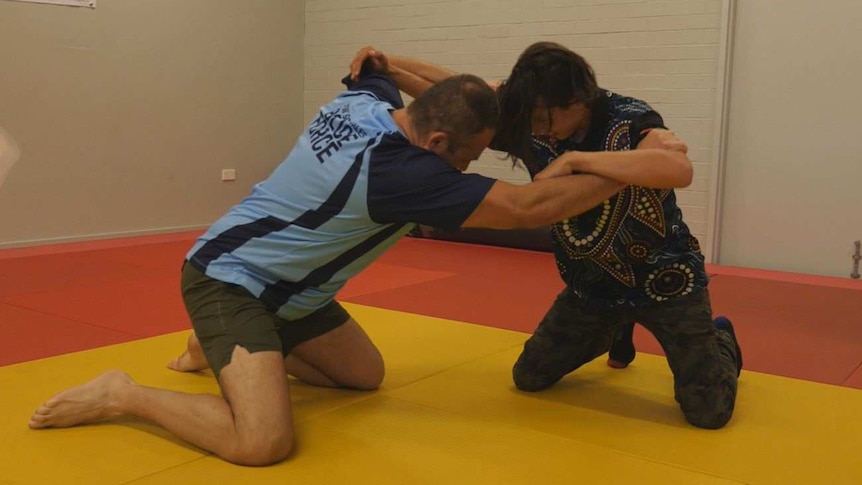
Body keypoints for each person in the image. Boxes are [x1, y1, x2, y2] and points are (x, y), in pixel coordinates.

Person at [28, 54, 637, 466]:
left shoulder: (368, 104)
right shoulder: (403, 174)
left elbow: (371, 67)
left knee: (363, 376)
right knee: (262, 441)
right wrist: (634, 172)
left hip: (295, 293)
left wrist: (383, 57)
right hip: (230, 280)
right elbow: (532, 207)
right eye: (471, 155)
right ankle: (123, 395)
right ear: (438, 143)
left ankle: (211, 349)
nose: (470, 167)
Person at [352, 42, 743, 429]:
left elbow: (679, 169)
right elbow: (460, 94)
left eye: (543, 118)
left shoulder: (629, 118)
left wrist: (573, 160)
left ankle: (720, 340)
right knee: (529, 377)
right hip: (591, 289)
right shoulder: (532, 118)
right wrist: (391, 69)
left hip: (668, 285)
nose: (536, 129)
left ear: (578, 100)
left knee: (708, 413)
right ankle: (612, 330)